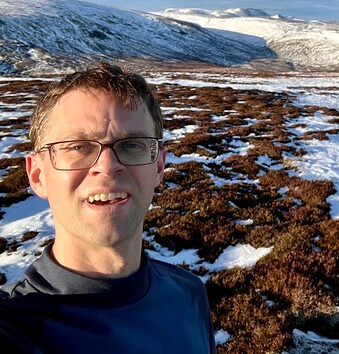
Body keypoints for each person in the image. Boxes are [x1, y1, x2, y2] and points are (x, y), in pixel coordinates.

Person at [0, 62, 215, 353]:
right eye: (78, 146)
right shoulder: (15, 327)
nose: (108, 166)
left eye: (132, 145)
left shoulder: (189, 293)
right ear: (37, 175)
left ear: (159, 166)